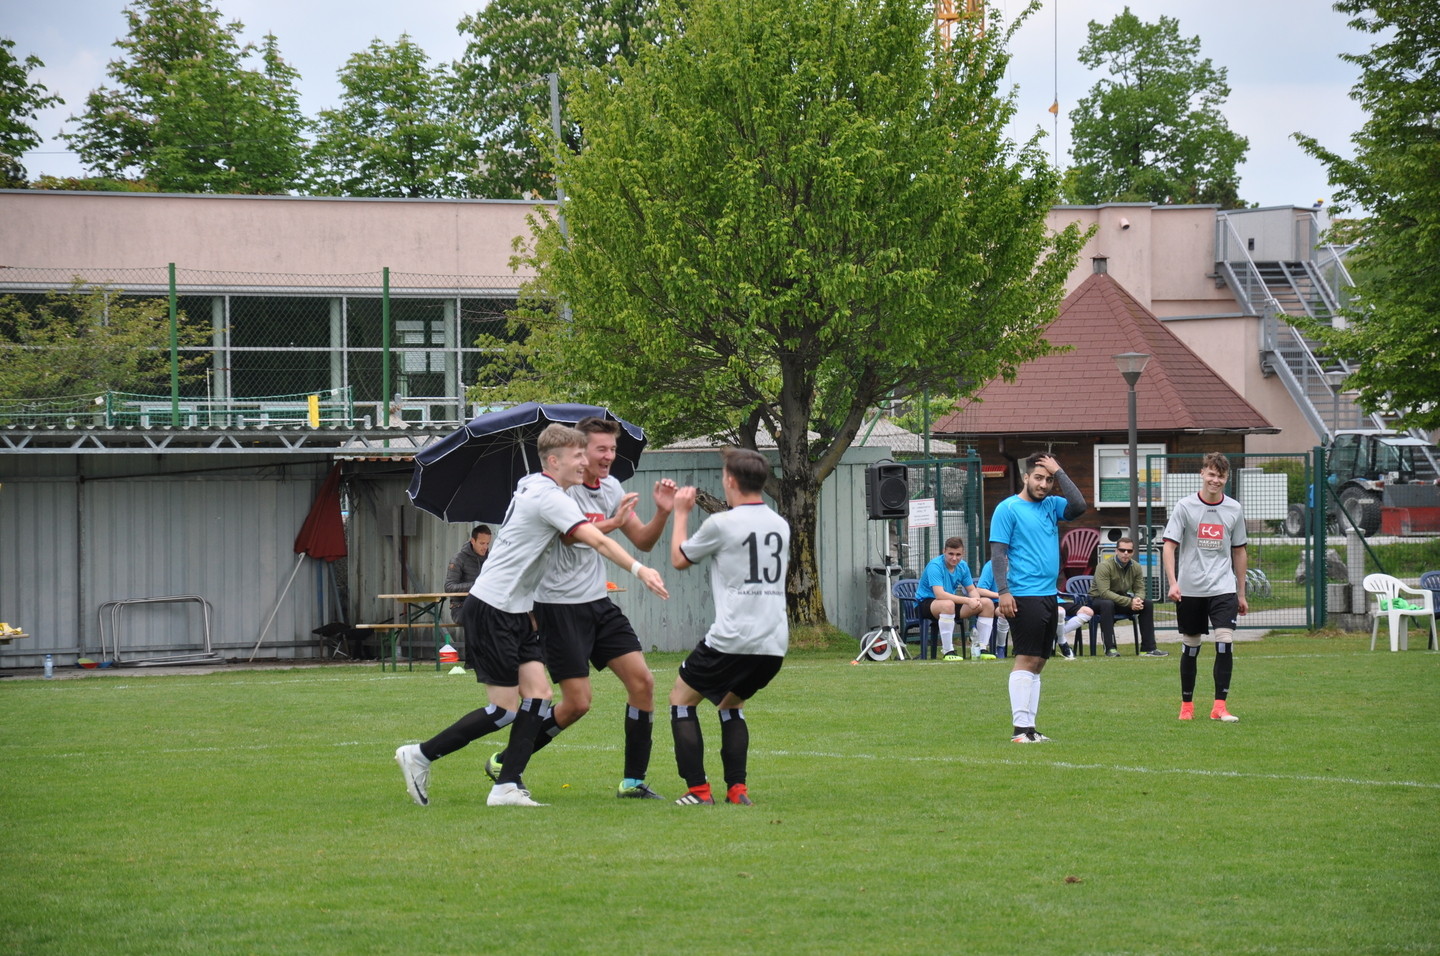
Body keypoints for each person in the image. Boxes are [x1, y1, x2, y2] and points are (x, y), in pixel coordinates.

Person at [394, 424, 668, 808]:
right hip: (492, 608)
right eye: (578, 456)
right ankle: (420, 754)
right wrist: (640, 570)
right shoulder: (547, 497)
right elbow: (595, 539)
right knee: (504, 710)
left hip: (520, 610)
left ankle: (506, 786)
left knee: (539, 698)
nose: (585, 461)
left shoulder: (541, 488)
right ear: (554, 460)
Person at [485, 417, 677, 800]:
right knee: (577, 704)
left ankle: (633, 782)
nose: (609, 457)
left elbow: (641, 540)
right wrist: (613, 523)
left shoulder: (610, 486)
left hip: (598, 604)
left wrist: (662, 512)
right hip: (557, 608)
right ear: (578, 452)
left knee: (643, 682)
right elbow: (570, 538)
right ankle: (507, 762)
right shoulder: (560, 489)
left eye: (612, 449)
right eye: (600, 449)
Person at [667, 447, 790, 807]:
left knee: (680, 701)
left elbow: (678, 559)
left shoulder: (722, 523)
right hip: (773, 642)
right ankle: (737, 790)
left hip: (733, 636)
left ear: (731, 481)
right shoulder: (779, 523)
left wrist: (680, 513)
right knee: (729, 705)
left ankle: (698, 791)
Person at [989, 453, 1087, 743]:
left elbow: (1079, 505)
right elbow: (998, 553)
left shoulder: (1052, 506)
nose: (1044, 484)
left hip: (1048, 595)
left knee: (1040, 660)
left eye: (1049, 479)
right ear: (1025, 477)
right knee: (1026, 658)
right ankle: (1020, 730)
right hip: (1023, 594)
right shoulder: (1008, 508)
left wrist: (1060, 470)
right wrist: (1004, 592)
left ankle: (1030, 728)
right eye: (1038, 477)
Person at [1162, 452, 1247, 723]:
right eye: (1211, 474)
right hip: (1190, 590)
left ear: (1227, 478)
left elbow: (1240, 551)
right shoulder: (1185, 506)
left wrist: (1241, 593)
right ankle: (1187, 705)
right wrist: (1173, 583)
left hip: (1223, 587)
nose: (1215, 480)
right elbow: (1169, 545)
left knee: (1225, 642)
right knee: (1191, 646)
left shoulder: (1234, 509)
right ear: (1202, 474)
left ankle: (1219, 706)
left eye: (1221, 476)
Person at [916, 536, 995, 660]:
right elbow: (939, 595)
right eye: (950, 554)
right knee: (948, 604)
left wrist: (976, 601)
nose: (954, 558)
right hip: (926, 604)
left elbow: (972, 589)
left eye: (958, 554)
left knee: (987, 604)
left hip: (950, 604)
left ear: (963, 554)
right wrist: (968, 600)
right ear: (944, 552)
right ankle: (948, 651)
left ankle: (981, 648)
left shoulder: (963, 566)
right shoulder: (935, 565)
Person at [1090, 535, 1168, 657]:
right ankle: (1110, 649)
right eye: (1122, 550)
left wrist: (1137, 600)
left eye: (1129, 551)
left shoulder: (1136, 566)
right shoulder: (1104, 566)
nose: (1126, 553)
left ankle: (1148, 649)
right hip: (1098, 600)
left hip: (1120, 600)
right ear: (1116, 551)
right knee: (1107, 604)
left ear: (1133, 552)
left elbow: (1140, 588)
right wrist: (1129, 602)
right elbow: (1104, 593)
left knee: (1146, 604)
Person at [444, 525, 491, 618]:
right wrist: (477, 585)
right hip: (460, 607)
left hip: (485, 606)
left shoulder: (490, 559)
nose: (485, 547)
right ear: (473, 541)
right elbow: (449, 587)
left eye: (487, 543)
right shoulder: (459, 559)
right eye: (482, 543)